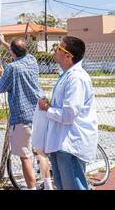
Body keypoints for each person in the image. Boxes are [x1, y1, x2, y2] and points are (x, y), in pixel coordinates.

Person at [38, 36, 98, 190]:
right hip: (61, 141)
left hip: (70, 143)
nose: (55, 50)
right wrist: (51, 105)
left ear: (68, 56)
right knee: (62, 184)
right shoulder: (67, 74)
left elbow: (68, 115)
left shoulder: (76, 78)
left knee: (73, 185)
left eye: (59, 47)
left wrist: (47, 109)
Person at [0, 36, 46, 190]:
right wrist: (5, 44)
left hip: (21, 117)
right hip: (38, 114)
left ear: (13, 51)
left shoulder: (12, 68)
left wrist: (0, 71)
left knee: (25, 157)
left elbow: (1, 87)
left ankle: (31, 188)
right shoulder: (32, 60)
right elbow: (17, 54)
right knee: (40, 153)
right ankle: (48, 185)